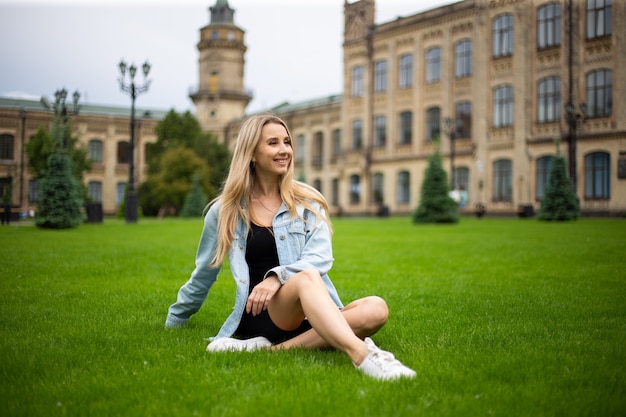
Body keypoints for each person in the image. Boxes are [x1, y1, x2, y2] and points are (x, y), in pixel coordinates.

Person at [165, 114, 415, 381]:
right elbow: (205, 272)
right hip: (264, 312)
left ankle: (272, 350)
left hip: (309, 313)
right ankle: (363, 357)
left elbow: (321, 258)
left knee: (376, 308)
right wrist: (174, 320)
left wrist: (277, 277)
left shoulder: (308, 202)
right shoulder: (225, 210)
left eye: (287, 142)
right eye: (273, 143)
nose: (284, 149)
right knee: (306, 278)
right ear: (251, 153)